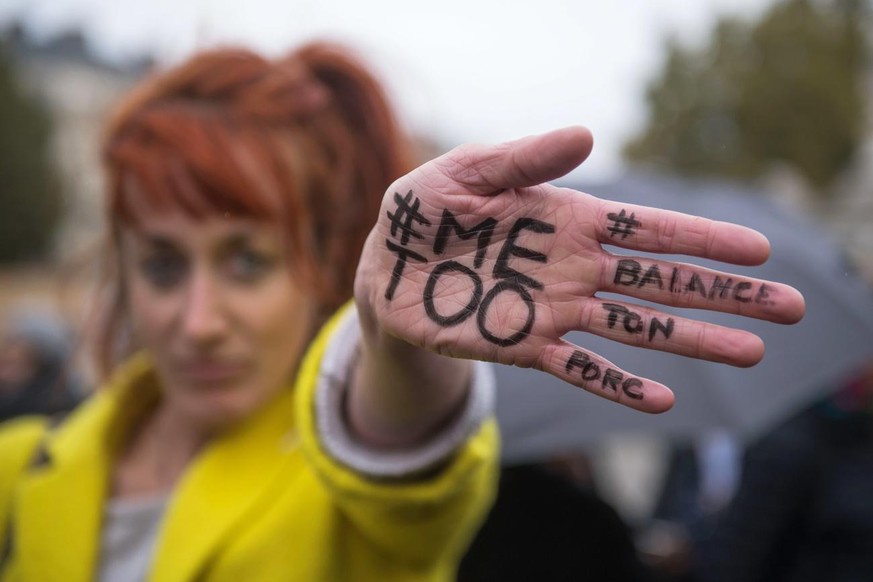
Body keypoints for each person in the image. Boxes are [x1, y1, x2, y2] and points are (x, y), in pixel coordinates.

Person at [0, 41, 805, 581]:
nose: (200, 318)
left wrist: (392, 338)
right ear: (121, 269)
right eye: (164, 264)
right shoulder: (20, 466)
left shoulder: (341, 480)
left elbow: (394, 457)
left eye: (249, 260)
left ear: (318, 267)